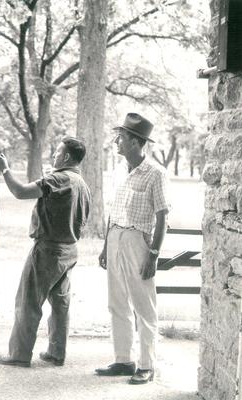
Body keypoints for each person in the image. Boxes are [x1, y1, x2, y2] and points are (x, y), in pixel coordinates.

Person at [0, 136, 91, 368]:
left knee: (28, 301)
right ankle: (57, 353)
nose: (54, 156)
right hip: (69, 251)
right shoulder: (82, 184)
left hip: (48, 250)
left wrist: (4, 169)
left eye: (57, 152)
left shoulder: (57, 179)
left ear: (66, 157)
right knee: (60, 303)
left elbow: (20, 192)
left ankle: (19, 354)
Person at [95, 113, 170, 384]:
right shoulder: (118, 170)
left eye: (123, 137)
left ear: (137, 143)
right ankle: (123, 360)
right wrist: (106, 246)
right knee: (116, 303)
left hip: (139, 241)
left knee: (144, 306)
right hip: (115, 237)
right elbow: (112, 213)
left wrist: (153, 254)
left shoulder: (156, 173)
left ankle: (147, 365)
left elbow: (162, 216)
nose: (117, 141)